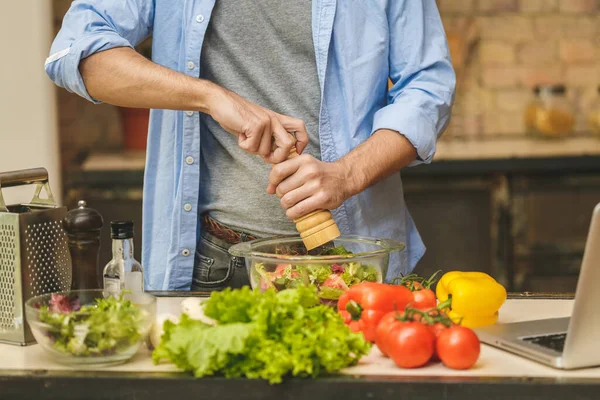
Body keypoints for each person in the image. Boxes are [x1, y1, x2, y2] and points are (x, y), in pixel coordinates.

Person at [46, 0, 455, 291]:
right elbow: (78, 53)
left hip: (353, 264)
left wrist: (347, 174)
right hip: (214, 263)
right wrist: (211, 96)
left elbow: (427, 86)